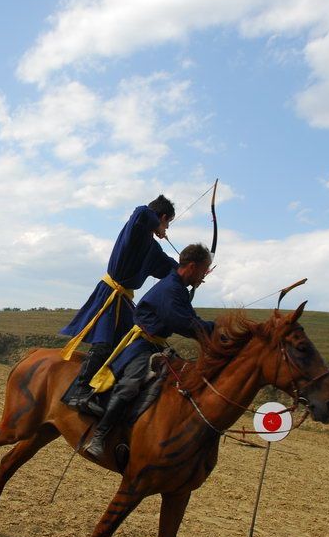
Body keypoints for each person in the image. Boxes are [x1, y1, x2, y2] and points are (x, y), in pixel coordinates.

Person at [84, 243, 215, 459]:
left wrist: (212, 329)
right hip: (141, 345)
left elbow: (191, 319)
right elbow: (182, 321)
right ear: (192, 267)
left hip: (156, 345)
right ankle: (99, 437)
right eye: (203, 271)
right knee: (130, 384)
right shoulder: (170, 288)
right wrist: (215, 330)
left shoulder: (178, 288)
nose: (203, 277)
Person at [60, 196, 179, 407]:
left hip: (124, 299)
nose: (167, 228)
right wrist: (157, 225)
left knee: (129, 346)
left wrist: (191, 271)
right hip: (110, 293)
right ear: (161, 217)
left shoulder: (152, 248)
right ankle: (79, 389)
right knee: (104, 343)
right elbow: (142, 211)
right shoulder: (136, 230)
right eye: (167, 222)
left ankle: (106, 390)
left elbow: (169, 267)